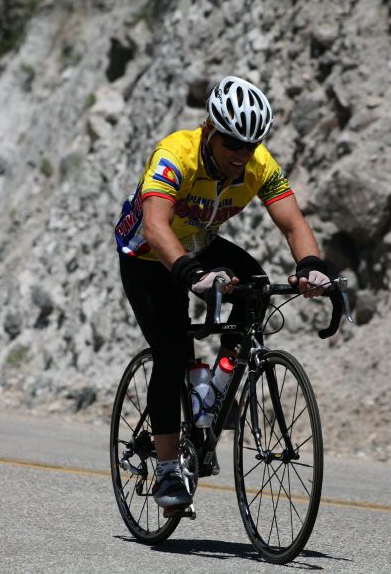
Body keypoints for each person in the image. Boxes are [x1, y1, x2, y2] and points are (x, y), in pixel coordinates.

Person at [114, 76, 334, 514]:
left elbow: (293, 224)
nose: (240, 154)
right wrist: (190, 272)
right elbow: (157, 227)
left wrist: (311, 266)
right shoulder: (175, 154)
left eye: (249, 146)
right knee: (173, 350)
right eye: (232, 142)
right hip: (147, 254)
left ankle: (213, 390)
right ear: (211, 131)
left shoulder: (258, 164)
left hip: (196, 240)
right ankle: (167, 467)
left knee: (254, 284)